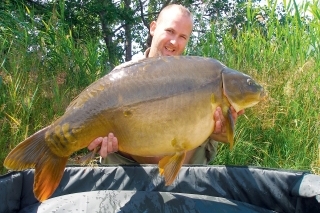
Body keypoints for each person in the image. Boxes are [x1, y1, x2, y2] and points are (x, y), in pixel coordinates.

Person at [87, 4, 244, 164]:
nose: (174, 42)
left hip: (185, 171)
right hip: (133, 171)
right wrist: (102, 142)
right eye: (170, 31)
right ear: (153, 28)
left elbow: (220, 137)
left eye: (183, 37)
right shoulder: (123, 76)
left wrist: (220, 132)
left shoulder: (197, 77)